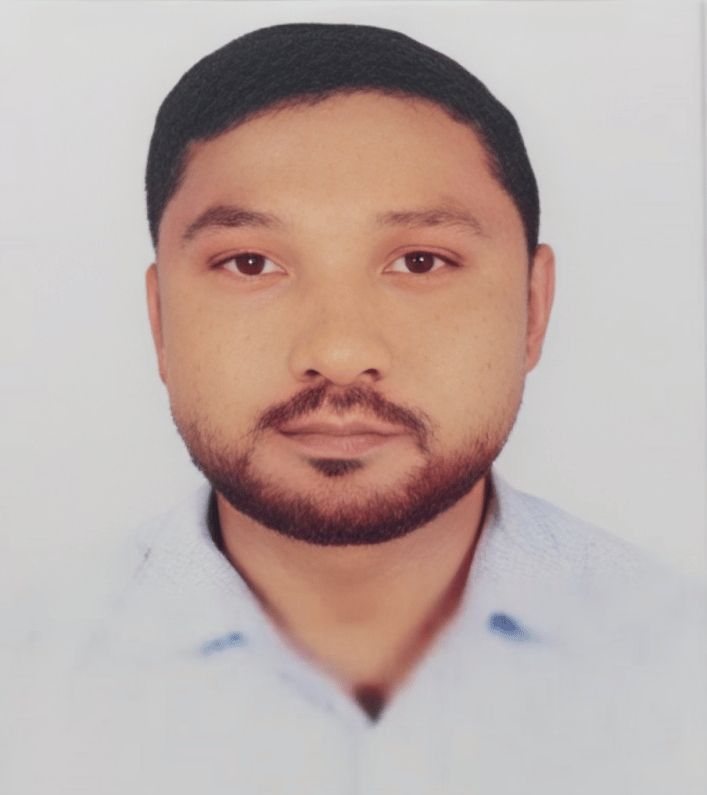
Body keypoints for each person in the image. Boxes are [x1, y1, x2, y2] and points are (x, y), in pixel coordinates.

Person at [3, 22, 704, 795]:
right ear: (160, 318)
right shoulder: (24, 694)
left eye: (419, 261)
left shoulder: (683, 669)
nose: (337, 351)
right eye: (249, 263)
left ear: (533, 309)